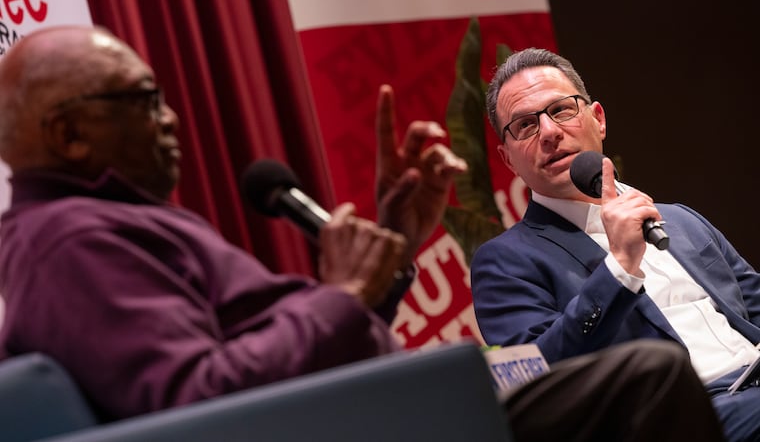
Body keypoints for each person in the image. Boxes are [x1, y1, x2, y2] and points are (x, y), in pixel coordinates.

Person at [0, 27, 723, 442]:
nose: (169, 119)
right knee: (646, 377)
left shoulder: (114, 222)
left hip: (372, 404)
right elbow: (197, 402)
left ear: (597, 117)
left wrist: (391, 246)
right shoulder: (69, 243)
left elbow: (263, 364)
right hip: (364, 421)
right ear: (66, 133)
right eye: (144, 100)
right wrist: (342, 292)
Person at [472, 47, 760, 442]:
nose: (550, 132)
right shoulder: (505, 261)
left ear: (598, 119)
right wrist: (620, 268)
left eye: (561, 110)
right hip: (683, 418)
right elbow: (539, 382)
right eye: (525, 125)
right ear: (508, 160)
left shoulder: (680, 219)